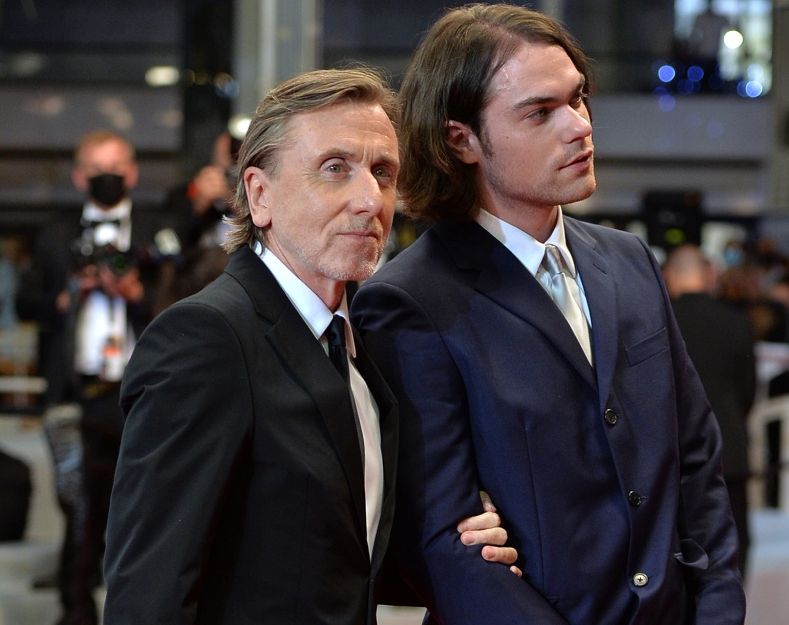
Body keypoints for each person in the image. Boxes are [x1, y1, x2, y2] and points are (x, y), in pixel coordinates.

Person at [351, 3, 745, 624]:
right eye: (540, 112)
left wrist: (717, 612)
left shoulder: (629, 260)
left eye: (578, 99)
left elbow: (695, 459)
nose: (578, 126)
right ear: (463, 139)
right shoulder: (410, 300)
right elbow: (445, 543)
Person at [102, 67, 517, 624]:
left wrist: (461, 539)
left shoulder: (362, 345)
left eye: (383, 173)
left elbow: (336, 561)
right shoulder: (206, 338)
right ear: (259, 194)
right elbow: (149, 593)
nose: (371, 199)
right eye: (335, 169)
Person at [16, 130, 169, 625]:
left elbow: (186, 301)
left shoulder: (154, 229)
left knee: (149, 509)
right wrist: (64, 297)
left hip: (143, 394)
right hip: (76, 393)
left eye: (118, 166)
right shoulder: (56, 235)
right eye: (97, 167)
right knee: (79, 508)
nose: (108, 176)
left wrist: (136, 293)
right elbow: (24, 301)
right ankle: (75, 611)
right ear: (80, 174)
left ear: (134, 171)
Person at [663, 244, 757, 578]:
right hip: (728, 450)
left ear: (668, 277)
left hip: (670, 455)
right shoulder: (735, 321)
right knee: (731, 550)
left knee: (675, 553)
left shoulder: (657, 319)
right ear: (710, 275)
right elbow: (748, 390)